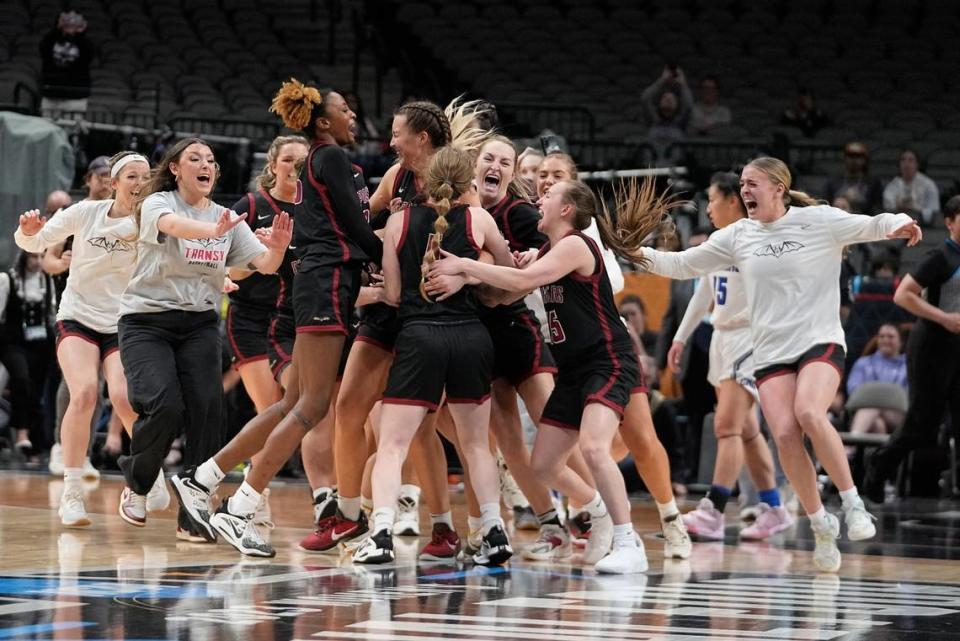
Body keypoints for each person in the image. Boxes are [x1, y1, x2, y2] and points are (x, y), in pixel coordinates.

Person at [639, 156, 921, 572]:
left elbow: (871, 223)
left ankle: (852, 503)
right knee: (785, 434)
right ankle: (820, 523)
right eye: (742, 184)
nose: (745, 190)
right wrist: (633, 252)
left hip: (818, 340)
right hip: (769, 352)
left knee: (808, 412)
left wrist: (900, 220)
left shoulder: (819, 220)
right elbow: (682, 266)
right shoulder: (738, 235)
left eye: (752, 182)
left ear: (779, 188)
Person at [429, 178, 687, 574]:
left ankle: (627, 540)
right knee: (544, 464)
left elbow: (523, 283)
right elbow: (505, 295)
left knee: (596, 448)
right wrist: (471, 280)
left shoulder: (576, 244)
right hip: (574, 368)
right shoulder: (549, 250)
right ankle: (598, 514)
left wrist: (464, 264)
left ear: (566, 209)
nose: (539, 199)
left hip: (607, 360)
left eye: (548, 197)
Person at [170, 81, 379, 557]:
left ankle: (202, 478)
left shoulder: (323, 163)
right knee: (312, 407)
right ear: (322, 122)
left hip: (313, 284)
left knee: (292, 405)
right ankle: (240, 507)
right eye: (345, 109)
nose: (354, 115)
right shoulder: (329, 158)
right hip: (321, 285)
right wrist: (391, 259)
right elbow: (354, 225)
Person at [115, 137, 291, 536]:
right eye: (194, 158)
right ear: (176, 169)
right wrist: (214, 230)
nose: (205, 164)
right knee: (165, 405)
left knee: (209, 408)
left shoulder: (226, 216)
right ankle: (138, 483)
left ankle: (193, 513)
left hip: (198, 323)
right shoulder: (158, 203)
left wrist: (277, 250)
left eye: (210, 160)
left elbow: (261, 264)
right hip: (146, 321)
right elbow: (173, 227)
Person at [353, 146, 514, 565]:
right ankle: (494, 531)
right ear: (468, 184)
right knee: (476, 445)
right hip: (471, 337)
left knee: (392, 445)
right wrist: (470, 271)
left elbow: (390, 295)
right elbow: (510, 273)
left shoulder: (397, 221)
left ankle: (382, 532)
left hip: (419, 336)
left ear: (421, 182)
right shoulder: (481, 219)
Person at [14, 152, 169, 526]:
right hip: (79, 317)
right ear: (113, 183)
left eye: (145, 176)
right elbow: (35, 244)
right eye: (131, 176)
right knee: (83, 393)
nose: (138, 182)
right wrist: (28, 231)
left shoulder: (153, 223)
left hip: (123, 322)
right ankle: (71, 493)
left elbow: (181, 262)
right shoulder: (85, 212)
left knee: (122, 396)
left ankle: (152, 473)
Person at [666, 172, 792, 541]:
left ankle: (715, 510)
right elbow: (702, 293)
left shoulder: (762, 239)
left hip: (750, 337)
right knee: (748, 431)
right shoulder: (719, 242)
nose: (708, 207)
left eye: (713, 198)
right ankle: (775, 508)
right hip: (722, 337)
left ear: (733, 201)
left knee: (726, 425)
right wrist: (680, 337)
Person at [865, 196, 960, 502]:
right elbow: (903, 295)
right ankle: (879, 466)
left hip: (957, 347)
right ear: (949, 223)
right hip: (931, 346)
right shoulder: (941, 256)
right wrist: (944, 318)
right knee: (921, 423)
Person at [226, 136, 309, 413]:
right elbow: (231, 274)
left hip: (298, 319)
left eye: (301, 161)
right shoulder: (249, 206)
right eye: (287, 160)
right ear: (273, 166)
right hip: (252, 319)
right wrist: (259, 253)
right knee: (272, 408)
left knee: (306, 405)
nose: (294, 166)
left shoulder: (317, 211)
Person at [0, 251, 57, 463]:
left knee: (36, 392)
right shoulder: (8, 280)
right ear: (24, 256)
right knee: (21, 378)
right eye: (34, 257)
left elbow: (51, 315)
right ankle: (21, 432)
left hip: (41, 345)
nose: (38, 261)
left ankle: (32, 443)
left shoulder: (47, 281)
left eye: (42, 256)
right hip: (13, 343)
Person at [845, 323, 908, 453]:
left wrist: (879, 398)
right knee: (877, 424)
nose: (885, 340)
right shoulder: (863, 363)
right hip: (866, 415)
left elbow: (911, 394)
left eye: (890, 337)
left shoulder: (908, 365)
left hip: (898, 416)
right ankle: (877, 467)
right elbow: (853, 390)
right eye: (882, 336)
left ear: (900, 342)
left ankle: (849, 448)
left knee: (873, 405)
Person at [38, 11, 93, 119]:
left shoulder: (85, 43)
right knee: (47, 130)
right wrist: (57, 29)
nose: (70, 24)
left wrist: (80, 34)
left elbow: (87, 57)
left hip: (75, 97)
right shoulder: (51, 39)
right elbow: (43, 49)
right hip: (51, 95)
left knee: (71, 133)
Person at [882, 149, 940, 226]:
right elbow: (887, 209)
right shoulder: (892, 185)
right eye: (903, 160)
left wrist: (915, 208)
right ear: (899, 164)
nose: (906, 163)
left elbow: (934, 209)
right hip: (897, 226)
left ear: (917, 164)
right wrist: (899, 207)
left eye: (911, 160)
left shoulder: (928, 184)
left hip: (923, 227)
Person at [825, 142, 883, 216]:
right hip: (837, 219)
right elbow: (825, 205)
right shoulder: (833, 181)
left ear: (865, 159)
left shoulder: (873, 182)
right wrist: (844, 198)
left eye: (858, 156)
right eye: (851, 155)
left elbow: (878, 209)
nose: (854, 160)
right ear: (845, 158)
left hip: (864, 221)